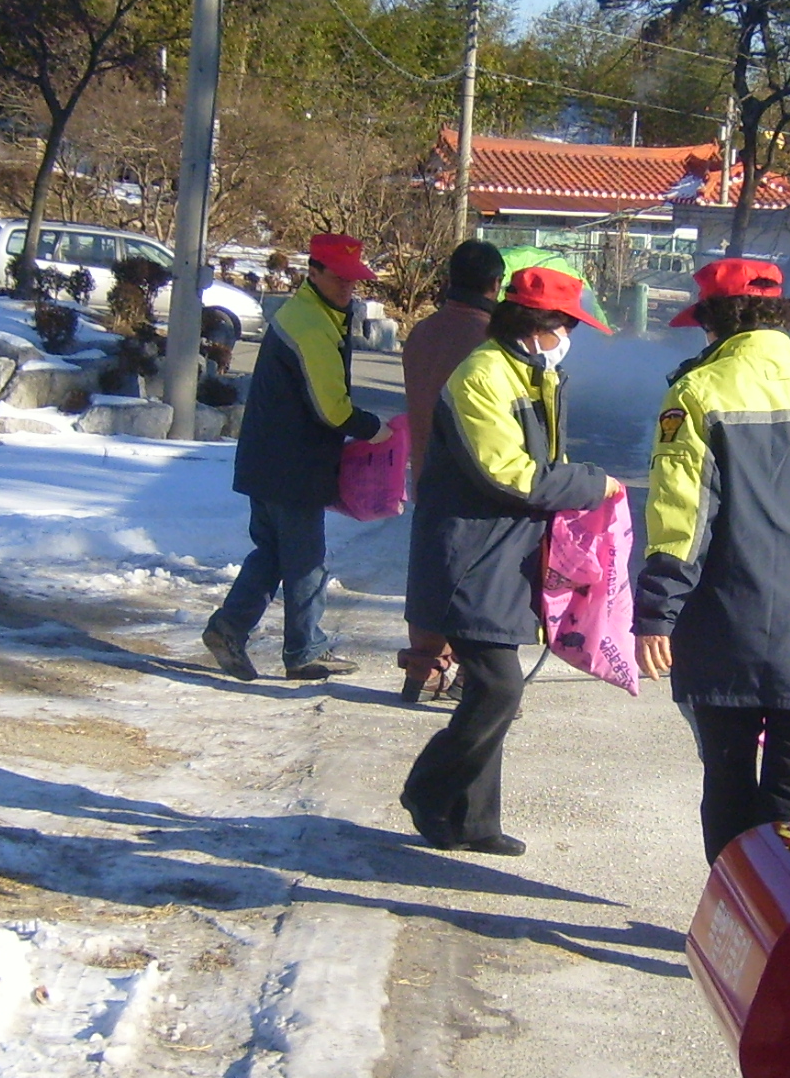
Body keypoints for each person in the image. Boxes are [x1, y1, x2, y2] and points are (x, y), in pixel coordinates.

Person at [635, 258, 790, 863]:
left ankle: (733, 897)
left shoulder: (696, 393)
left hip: (728, 625)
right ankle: (784, 907)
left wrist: (657, 611)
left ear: (712, 322)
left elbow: (682, 515)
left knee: (728, 780)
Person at [401, 264, 618, 855]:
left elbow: (543, 463)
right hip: (469, 554)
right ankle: (428, 790)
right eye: (565, 325)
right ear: (534, 324)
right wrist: (590, 485)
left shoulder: (533, 372)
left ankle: (473, 821)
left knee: (488, 689)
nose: (568, 337)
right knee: (499, 688)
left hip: (504, 553)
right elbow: (510, 473)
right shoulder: (483, 375)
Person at [204, 233, 384, 682]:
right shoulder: (311, 325)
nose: (347, 286)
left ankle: (229, 628)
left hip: (269, 458)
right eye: (339, 277)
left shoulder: (309, 313)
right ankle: (304, 650)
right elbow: (332, 409)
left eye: (352, 279)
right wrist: (373, 428)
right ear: (313, 272)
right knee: (305, 561)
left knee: (272, 552)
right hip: (293, 464)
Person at [394, 239, 507, 702]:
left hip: (426, 474)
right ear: (495, 285)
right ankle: (470, 673)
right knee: (477, 582)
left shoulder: (422, 333)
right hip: (477, 480)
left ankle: (421, 669)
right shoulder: (492, 341)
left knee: (429, 573)